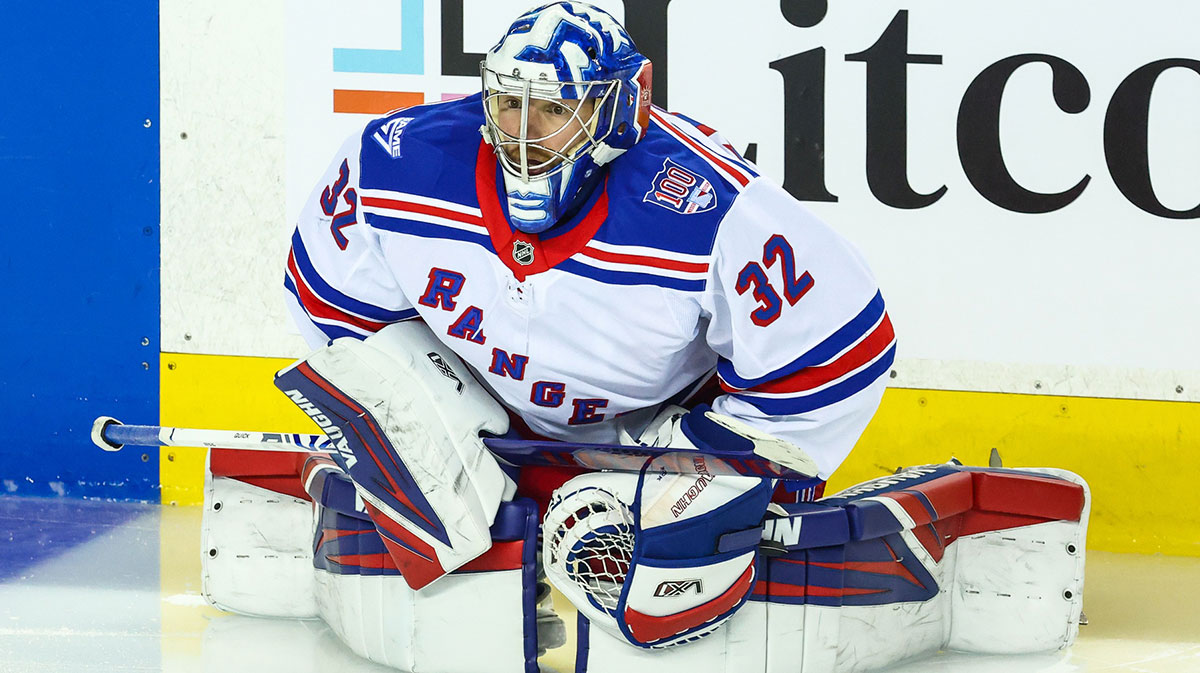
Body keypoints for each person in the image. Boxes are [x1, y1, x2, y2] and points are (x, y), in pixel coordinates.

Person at [280, 0, 894, 652]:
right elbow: (336, 311)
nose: (524, 132)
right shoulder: (392, 164)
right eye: (511, 102)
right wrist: (435, 419)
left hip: (654, 441)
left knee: (669, 606)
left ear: (624, 106)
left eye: (554, 108)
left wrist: (704, 453)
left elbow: (841, 350)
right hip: (494, 433)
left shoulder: (707, 206)